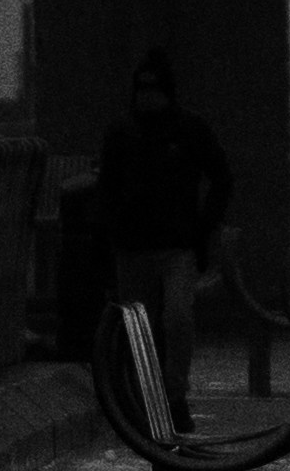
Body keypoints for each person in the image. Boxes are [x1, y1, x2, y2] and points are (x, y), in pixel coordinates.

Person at [84, 50, 235, 405]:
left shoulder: (185, 130)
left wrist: (201, 227)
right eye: (143, 90)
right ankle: (153, 400)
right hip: (135, 247)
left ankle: (171, 394)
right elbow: (108, 191)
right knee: (144, 329)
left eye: (153, 90)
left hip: (173, 245)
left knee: (175, 319)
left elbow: (221, 178)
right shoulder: (124, 133)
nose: (148, 97)